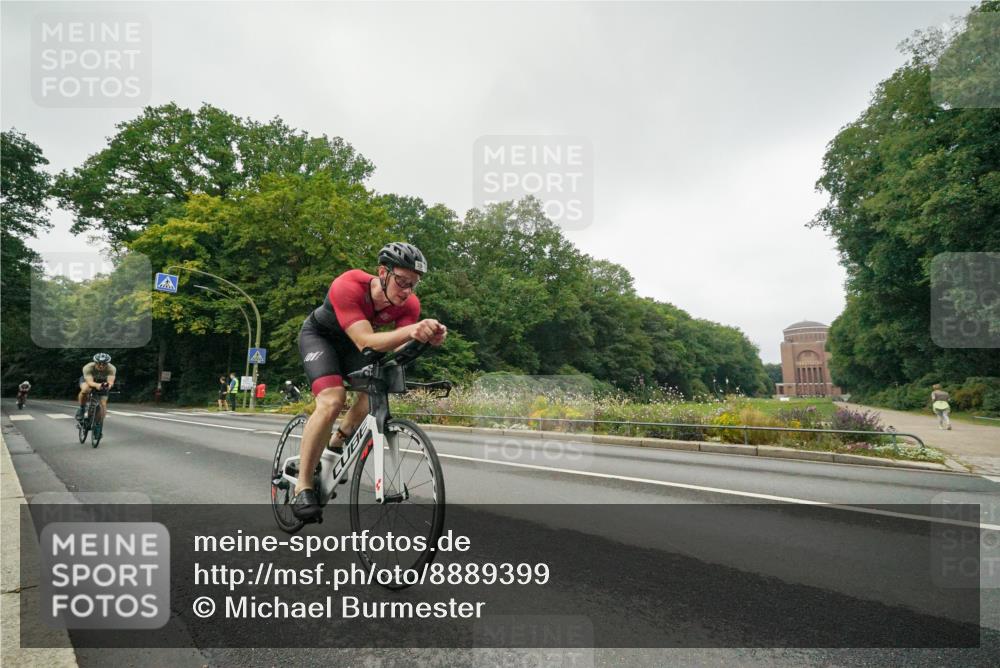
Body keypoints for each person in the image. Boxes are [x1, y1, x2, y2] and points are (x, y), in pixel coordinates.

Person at [292, 242, 447, 521]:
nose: (407, 291)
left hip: (355, 348)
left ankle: (337, 443)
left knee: (377, 386)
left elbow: (397, 351)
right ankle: (303, 485)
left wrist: (423, 338)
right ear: (382, 273)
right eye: (401, 281)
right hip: (321, 338)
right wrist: (411, 331)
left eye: (413, 284)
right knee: (332, 400)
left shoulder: (409, 304)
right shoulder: (349, 285)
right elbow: (366, 340)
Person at [76, 353, 117, 438]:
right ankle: (82, 408)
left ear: (107, 364)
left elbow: (111, 382)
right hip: (89, 380)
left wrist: (107, 386)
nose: (101, 366)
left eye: (104, 364)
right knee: (86, 390)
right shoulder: (88, 367)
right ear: (95, 362)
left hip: (103, 382)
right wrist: (97, 385)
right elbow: (90, 382)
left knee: (103, 404)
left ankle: (97, 425)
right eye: (99, 363)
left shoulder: (112, 368)